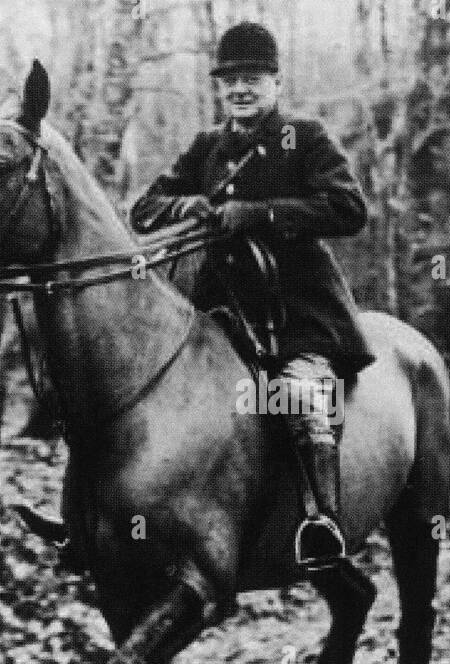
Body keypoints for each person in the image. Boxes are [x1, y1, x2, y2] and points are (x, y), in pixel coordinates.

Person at [129, 21, 372, 569]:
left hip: (297, 312)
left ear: (276, 83)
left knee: (301, 397)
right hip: (217, 314)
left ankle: (322, 523)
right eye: (230, 80)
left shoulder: (304, 137)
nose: (240, 90)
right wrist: (183, 206)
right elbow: (142, 209)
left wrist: (261, 215)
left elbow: (350, 209)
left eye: (253, 79)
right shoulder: (206, 146)